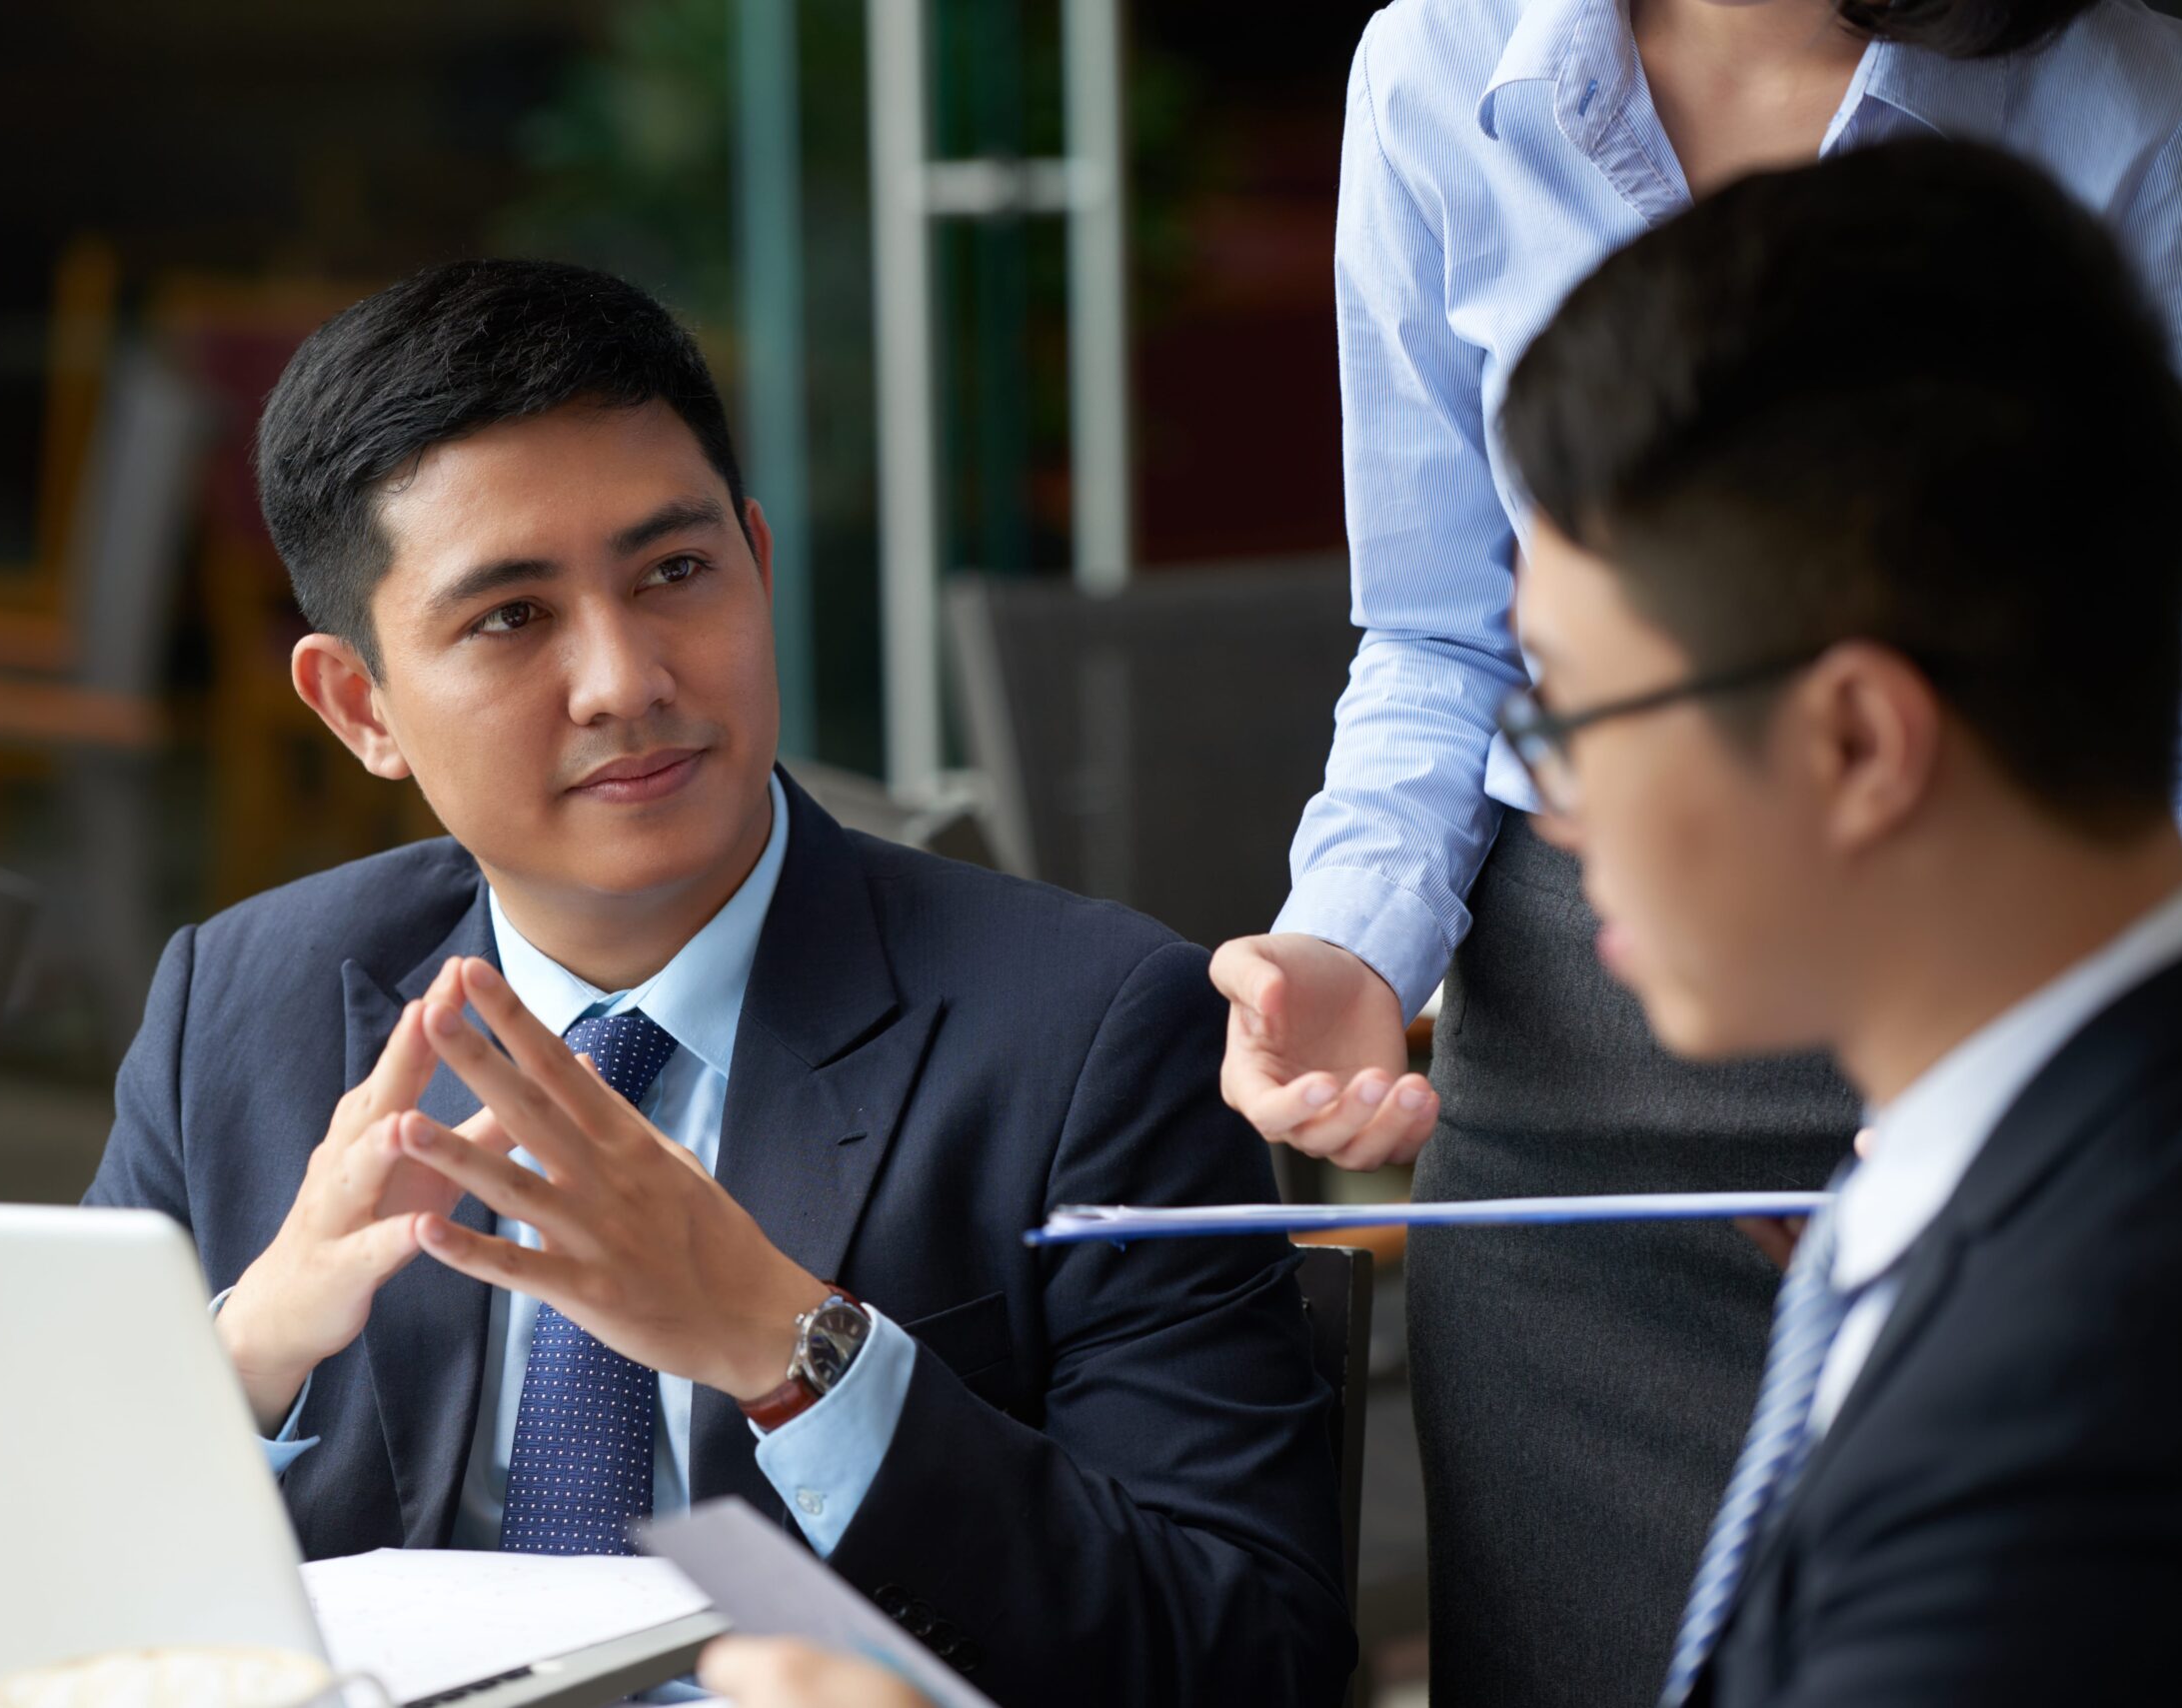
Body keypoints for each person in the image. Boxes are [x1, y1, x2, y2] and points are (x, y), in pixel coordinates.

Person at [701, 132, 2182, 1708]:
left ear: (1855, 741)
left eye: (1576, 715)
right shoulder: (2027, 1180)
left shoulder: (2073, 1378)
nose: (1548, 811)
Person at [82, 259, 1353, 1708]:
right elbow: (19, 1577)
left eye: (674, 572)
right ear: (360, 704)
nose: (625, 677)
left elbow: (1252, 1658)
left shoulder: (1091, 1028)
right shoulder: (245, 1002)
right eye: (511, 618)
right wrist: (247, 1350)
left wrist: (790, 1348)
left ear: (755, 558)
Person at [1211, 0, 2182, 1700]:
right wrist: (1362, 935)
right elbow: (1450, 642)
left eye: (1583, 714)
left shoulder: (2143, 107)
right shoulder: (1442, 68)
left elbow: (2173, 697)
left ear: (1855, 731)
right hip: (1599, 1073)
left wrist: (2016, 1067)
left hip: (2007, 1003)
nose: (1561, 775)